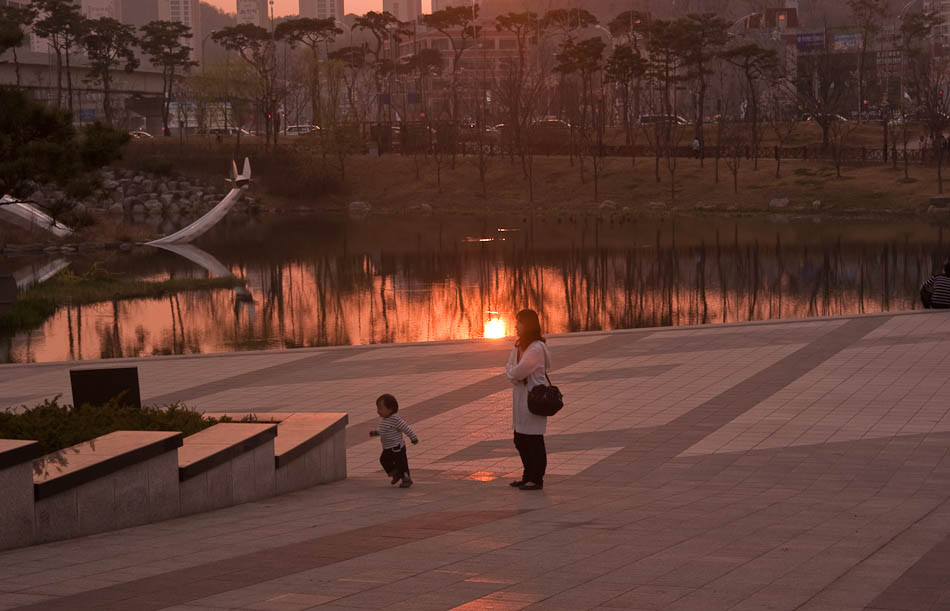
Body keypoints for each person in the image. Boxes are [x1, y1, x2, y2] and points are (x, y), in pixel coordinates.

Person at [505, 309, 552, 491]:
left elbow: (519, 371)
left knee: (534, 440)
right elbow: (509, 367)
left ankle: (536, 478)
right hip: (520, 398)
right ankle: (527, 475)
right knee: (520, 439)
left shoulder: (536, 348)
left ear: (528, 325)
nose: (516, 326)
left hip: (534, 398)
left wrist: (512, 374)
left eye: (519, 322)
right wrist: (513, 373)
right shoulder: (518, 346)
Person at [369, 394, 418, 488]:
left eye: (380, 409)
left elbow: (406, 428)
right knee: (383, 460)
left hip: (397, 448)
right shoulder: (384, 420)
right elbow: (382, 430)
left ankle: (406, 479)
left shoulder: (396, 419)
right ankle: (396, 473)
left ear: (390, 409)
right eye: (377, 408)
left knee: (402, 463)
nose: (378, 411)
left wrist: (413, 437)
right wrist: (376, 433)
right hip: (387, 447)